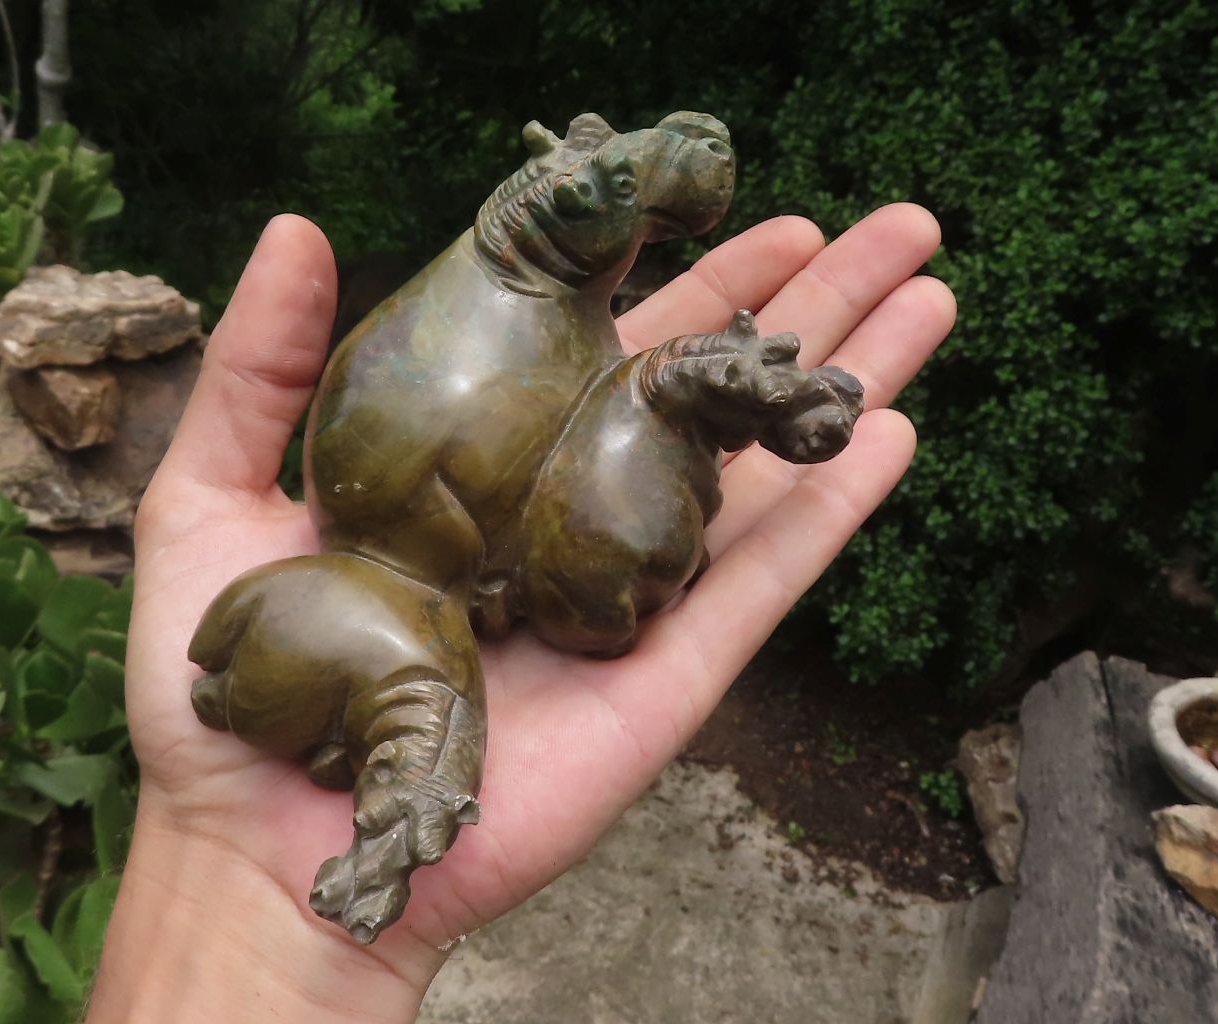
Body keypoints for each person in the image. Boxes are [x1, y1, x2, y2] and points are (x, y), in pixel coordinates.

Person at [84, 206, 954, 1022]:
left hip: (516, 530)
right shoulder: (419, 656)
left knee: (649, 417)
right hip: (494, 559)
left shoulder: (396, 639)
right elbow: (418, 743)